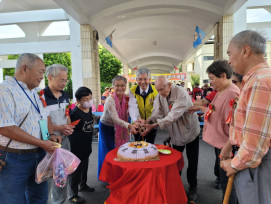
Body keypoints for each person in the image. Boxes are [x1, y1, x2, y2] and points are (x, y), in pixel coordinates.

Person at [0, 53, 61, 204]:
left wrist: (51, 135)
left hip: (39, 155)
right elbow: (5, 127)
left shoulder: (35, 92)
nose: (43, 76)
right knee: (12, 200)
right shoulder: (5, 90)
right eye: (41, 71)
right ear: (25, 69)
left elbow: (45, 116)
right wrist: (42, 143)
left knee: (39, 198)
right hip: (14, 158)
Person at [220, 30, 271, 204]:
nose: (229, 60)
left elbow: (253, 146)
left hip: (258, 164)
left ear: (245, 51)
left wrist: (233, 164)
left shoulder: (259, 82)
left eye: (229, 53)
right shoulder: (257, 79)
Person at [142, 76, 200, 203]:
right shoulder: (160, 95)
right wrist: (149, 121)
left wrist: (154, 125)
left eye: (162, 89)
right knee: (175, 161)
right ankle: (175, 186)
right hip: (176, 133)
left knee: (192, 161)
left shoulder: (181, 93)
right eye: (158, 90)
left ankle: (193, 187)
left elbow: (173, 116)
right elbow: (157, 112)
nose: (160, 92)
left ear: (169, 85)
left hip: (190, 131)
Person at [202, 60, 240, 204]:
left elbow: (235, 127)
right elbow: (214, 111)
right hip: (221, 143)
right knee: (225, 182)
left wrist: (225, 151)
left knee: (229, 184)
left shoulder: (232, 93)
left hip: (227, 147)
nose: (210, 82)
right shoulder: (222, 91)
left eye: (212, 78)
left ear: (223, 75)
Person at [43, 64, 74, 204]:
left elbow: (67, 114)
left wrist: (68, 126)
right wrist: (58, 128)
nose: (64, 83)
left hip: (64, 140)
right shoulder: (41, 96)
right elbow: (42, 121)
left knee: (62, 175)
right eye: (61, 80)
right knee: (47, 176)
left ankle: (59, 201)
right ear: (50, 77)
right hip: (49, 142)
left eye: (65, 80)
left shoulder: (65, 95)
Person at [97, 76, 137, 179]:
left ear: (126, 86)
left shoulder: (127, 98)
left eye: (122, 85)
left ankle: (119, 173)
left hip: (120, 127)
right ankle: (108, 177)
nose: (120, 88)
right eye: (117, 85)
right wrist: (129, 125)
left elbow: (133, 111)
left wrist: (137, 120)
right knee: (109, 152)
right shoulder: (110, 100)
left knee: (121, 150)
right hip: (107, 127)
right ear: (113, 86)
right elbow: (115, 119)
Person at [68, 87, 95, 204]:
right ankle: (73, 195)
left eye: (90, 98)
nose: (89, 101)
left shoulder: (88, 109)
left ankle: (83, 185)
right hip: (76, 146)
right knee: (75, 171)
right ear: (78, 100)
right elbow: (70, 129)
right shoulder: (74, 113)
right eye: (86, 99)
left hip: (86, 144)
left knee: (85, 166)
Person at [129, 68, 158, 143]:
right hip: (137, 123)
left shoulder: (155, 91)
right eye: (140, 79)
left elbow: (156, 108)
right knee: (137, 145)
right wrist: (136, 120)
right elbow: (132, 107)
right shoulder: (132, 90)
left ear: (149, 79)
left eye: (145, 79)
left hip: (151, 123)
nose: (142, 82)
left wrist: (149, 120)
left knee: (150, 146)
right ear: (136, 79)